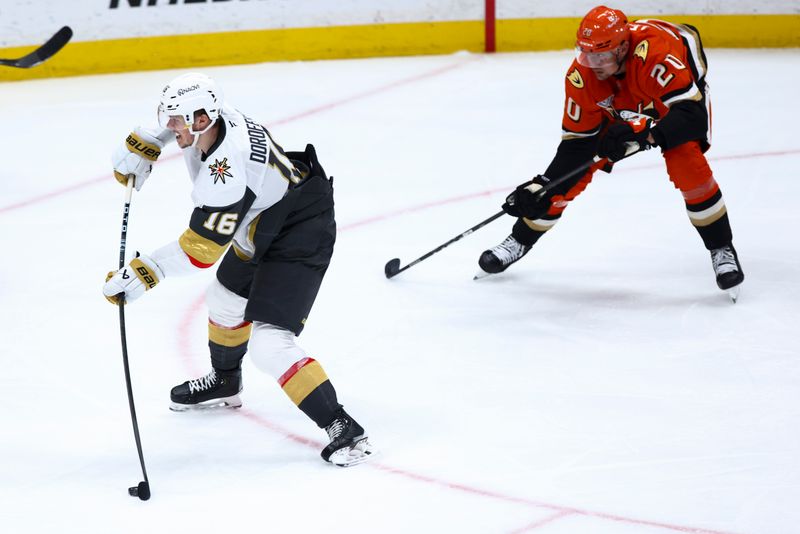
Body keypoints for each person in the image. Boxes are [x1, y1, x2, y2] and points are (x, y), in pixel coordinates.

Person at [103, 72, 374, 466]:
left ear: (200, 120)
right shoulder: (216, 115)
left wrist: (146, 272)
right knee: (225, 300)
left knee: (269, 344)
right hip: (264, 218)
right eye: (168, 116)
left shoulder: (226, 175)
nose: (171, 125)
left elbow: (200, 250)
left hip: (299, 230)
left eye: (176, 120)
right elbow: (177, 127)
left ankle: (343, 427)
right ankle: (226, 381)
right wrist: (149, 140)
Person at [477, 5, 744, 301]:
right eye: (586, 54)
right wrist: (543, 185)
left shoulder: (655, 56)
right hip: (622, 101)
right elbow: (576, 145)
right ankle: (519, 240)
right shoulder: (583, 76)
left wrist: (648, 133)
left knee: (687, 164)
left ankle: (721, 247)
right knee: (569, 177)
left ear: (623, 48)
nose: (593, 63)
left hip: (669, 101)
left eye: (601, 56)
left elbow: (691, 116)